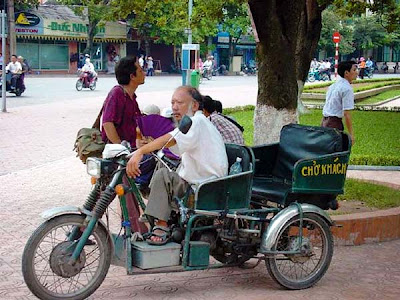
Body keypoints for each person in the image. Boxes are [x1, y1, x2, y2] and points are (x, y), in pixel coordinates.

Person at [126, 86, 228, 245]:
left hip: (205, 187)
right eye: (172, 102)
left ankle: (161, 224)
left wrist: (140, 152)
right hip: (198, 181)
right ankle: (155, 217)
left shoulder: (197, 122)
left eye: (179, 102)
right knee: (164, 169)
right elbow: (174, 144)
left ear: (194, 105)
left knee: (163, 175)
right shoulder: (194, 123)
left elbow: (172, 139)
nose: (174, 107)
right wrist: (149, 145)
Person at [321, 61, 357, 145]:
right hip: (334, 123)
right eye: (354, 70)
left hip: (324, 121)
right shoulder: (347, 89)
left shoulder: (333, 86)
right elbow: (347, 114)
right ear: (346, 73)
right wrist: (351, 134)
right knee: (333, 151)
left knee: (325, 148)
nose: (356, 72)